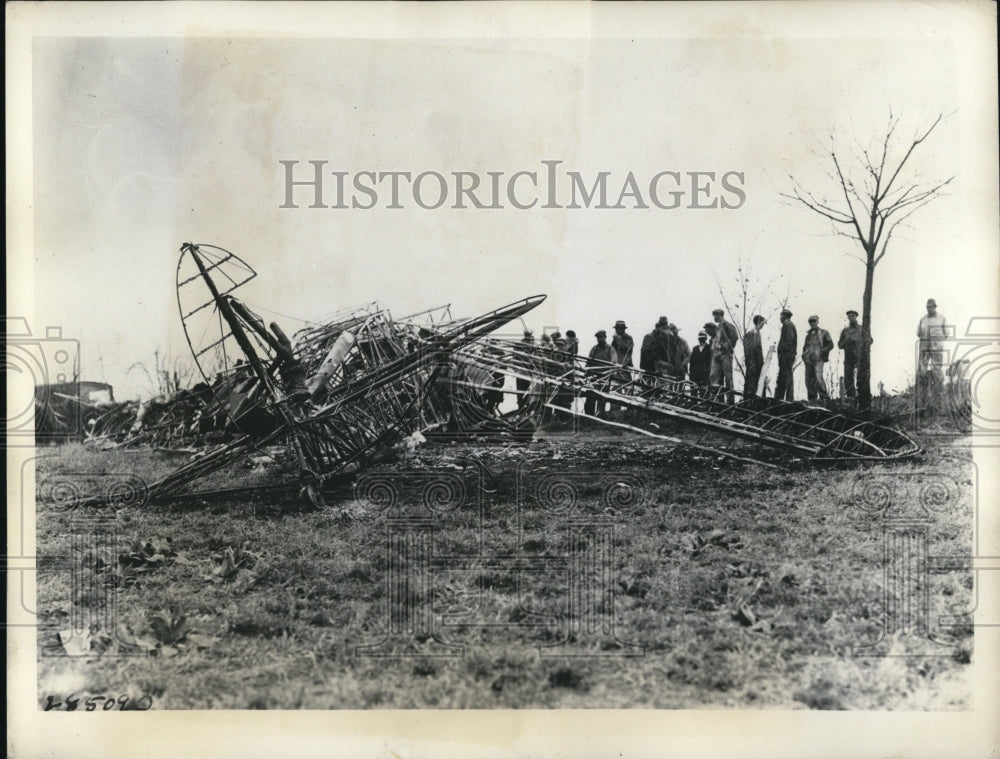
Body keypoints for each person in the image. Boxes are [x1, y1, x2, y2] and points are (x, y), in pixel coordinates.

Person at [838, 310, 871, 400]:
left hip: (860, 356)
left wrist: (863, 347)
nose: (851, 317)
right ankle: (850, 397)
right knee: (848, 378)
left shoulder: (862, 328)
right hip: (848, 357)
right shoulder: (845, 331)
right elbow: (840, 345)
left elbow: (870, 340)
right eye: (849, 316)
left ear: (856, 317)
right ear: (848, 318)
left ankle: (862, 396)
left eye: (853, 316)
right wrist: (846, 340)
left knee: (862, 376)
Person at [584, 330, 618, 416]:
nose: (599, 339)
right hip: (594, 378)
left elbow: (614, 363)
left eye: (601, 337)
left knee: (601, 399)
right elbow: (589, 362)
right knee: (590, 398)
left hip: (605, 378)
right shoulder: (594, 349)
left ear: (605, 337)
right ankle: (588, 417)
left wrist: (610, 375)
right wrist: (586, 372)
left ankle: (599, 418)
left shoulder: (610, 349)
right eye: (598, 337)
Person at [802, 315, 834, 402]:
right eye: (810, 322)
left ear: (817, 322)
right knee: (808, 381)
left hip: (818, 359)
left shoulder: (824, 332)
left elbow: (830, 344)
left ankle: (824, 399)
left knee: (818, 378)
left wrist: (824, 351)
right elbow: (805, 347)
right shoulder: (808, 335)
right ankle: (812, 400)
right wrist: (804, 356)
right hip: (808, 360)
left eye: (814, 321)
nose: (812, 323)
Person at [709, 308, 739, 401]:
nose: (714, 317)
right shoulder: (718, 327)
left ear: (719, 315)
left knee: (728, 379)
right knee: (714, 377)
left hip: (725, 355)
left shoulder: (728, 325)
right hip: (717, 355)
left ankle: (730, 401)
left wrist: (728, 348)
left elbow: (735, 337)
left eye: (715, 315)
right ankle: (716, 400)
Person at [640, 316, 674, 381]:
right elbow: (645, 353)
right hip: (648, 370)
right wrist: (658, 361)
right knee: (648, 389)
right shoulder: (649, 337)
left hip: (658, 371)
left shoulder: (661, 338)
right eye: (663, 329)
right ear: (658, 328)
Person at [742, 315, 766, 398]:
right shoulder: (750, 334)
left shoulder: (758, 334)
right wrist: (751, 364)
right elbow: (749, 351)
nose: (763, 325)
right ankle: (748, 403)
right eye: (763, 323)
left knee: (759, 385)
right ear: (759, 322)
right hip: (752, 364)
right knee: (751, 385)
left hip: (758, 364)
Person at [516, 328, 535, 409]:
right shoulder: (531, 345)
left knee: (521, 391)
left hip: (521, 371)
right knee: (527, 391)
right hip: (527, 371)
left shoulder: (519, 344)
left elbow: (515, 357)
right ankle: (525, 408)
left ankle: (521, 408)